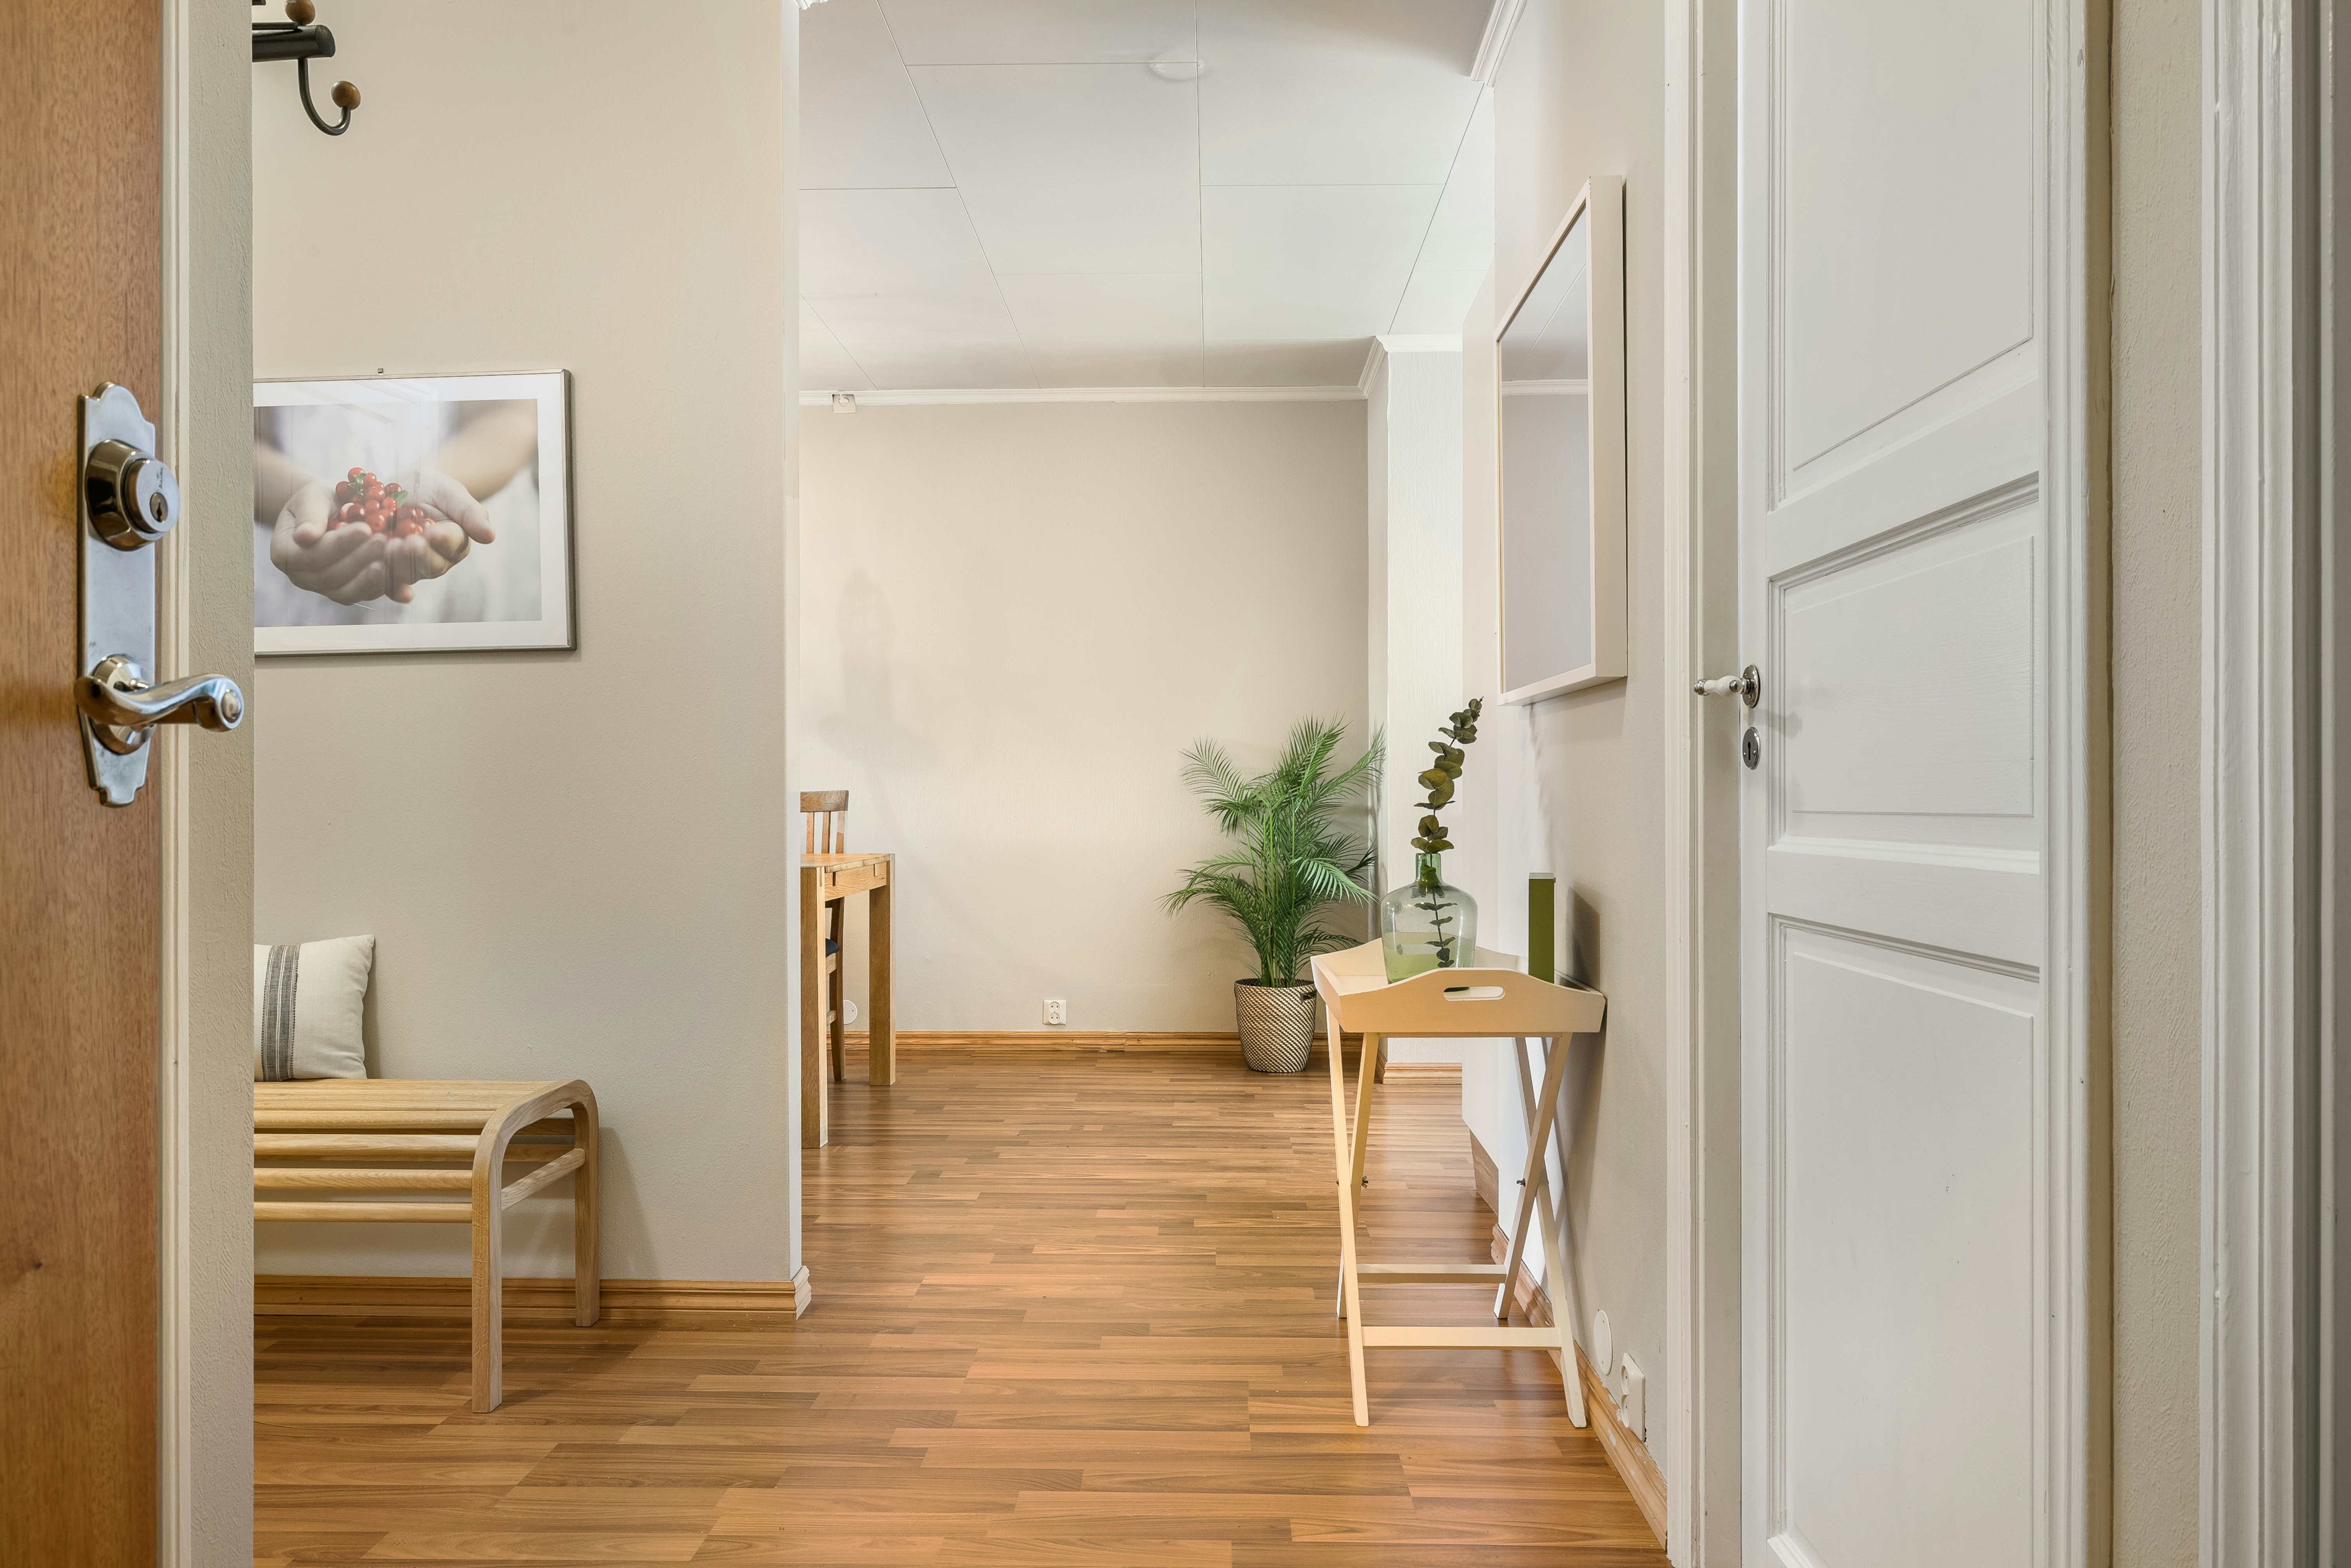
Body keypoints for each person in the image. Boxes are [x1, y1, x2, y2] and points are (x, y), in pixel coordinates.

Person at [254, 397, 541, 624]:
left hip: (466, 489)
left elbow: (509, 415)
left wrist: (432, 480)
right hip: (286, 511)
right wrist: (298, 497)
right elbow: (241, 439)